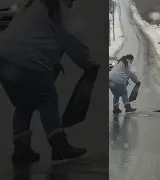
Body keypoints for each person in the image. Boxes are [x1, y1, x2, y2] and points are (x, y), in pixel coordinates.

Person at [0, 0, 97, 164]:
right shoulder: (57, 8)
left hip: (4, 59)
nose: (72, 3)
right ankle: (59, 145)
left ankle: (21, 149)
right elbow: (71, 39)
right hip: (28, 58)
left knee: (23, 104)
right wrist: (89, 63)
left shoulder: (33, 5)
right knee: (47, 100)